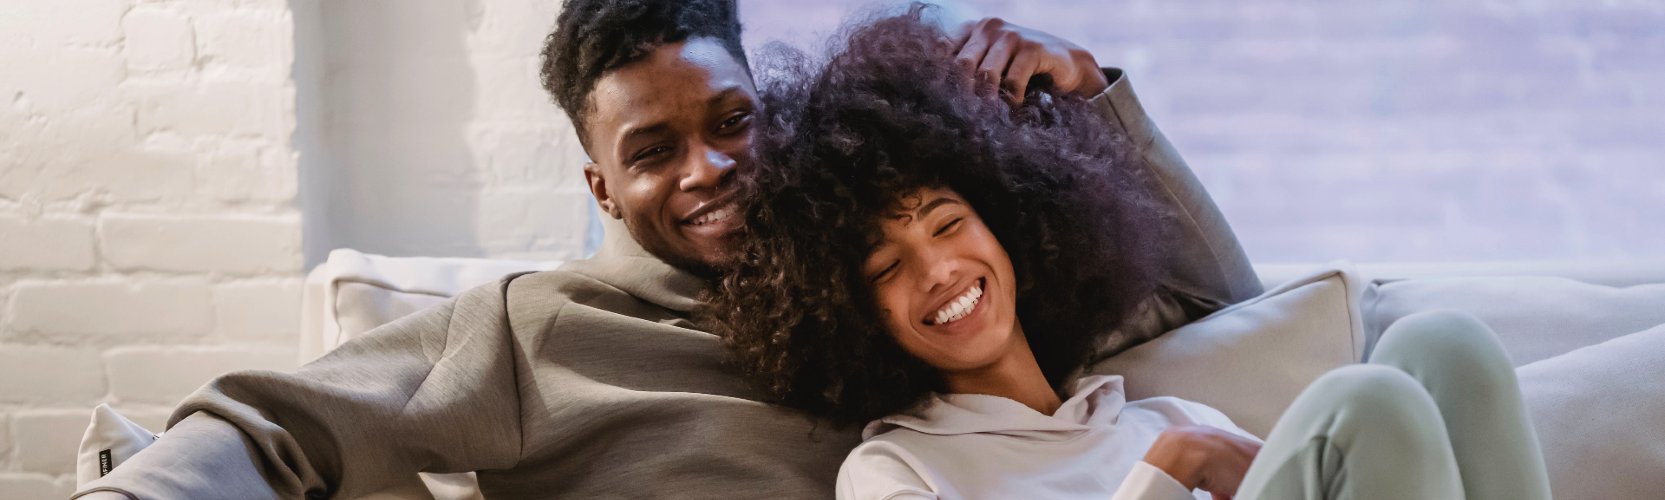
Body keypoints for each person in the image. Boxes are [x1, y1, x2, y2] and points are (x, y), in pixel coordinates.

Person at [72, 0, 1262, 498]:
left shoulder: (902, 283)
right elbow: (274, 423)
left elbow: (1216, 302)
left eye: (732, 123)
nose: (708, 170)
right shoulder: (534, 328)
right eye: (654, 150)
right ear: (600, 180)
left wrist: (1094, 98)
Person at [705, 8, 1555, 500]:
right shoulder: (894, 471)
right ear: (850, 315)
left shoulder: (1163, 418)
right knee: (1369, 404)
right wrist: (1164, 477)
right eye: (884, 269)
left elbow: (1221, 292)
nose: (937, 271)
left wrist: (1172, 447)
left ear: (1008, 223)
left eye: (946, 222)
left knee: (1443, 348)